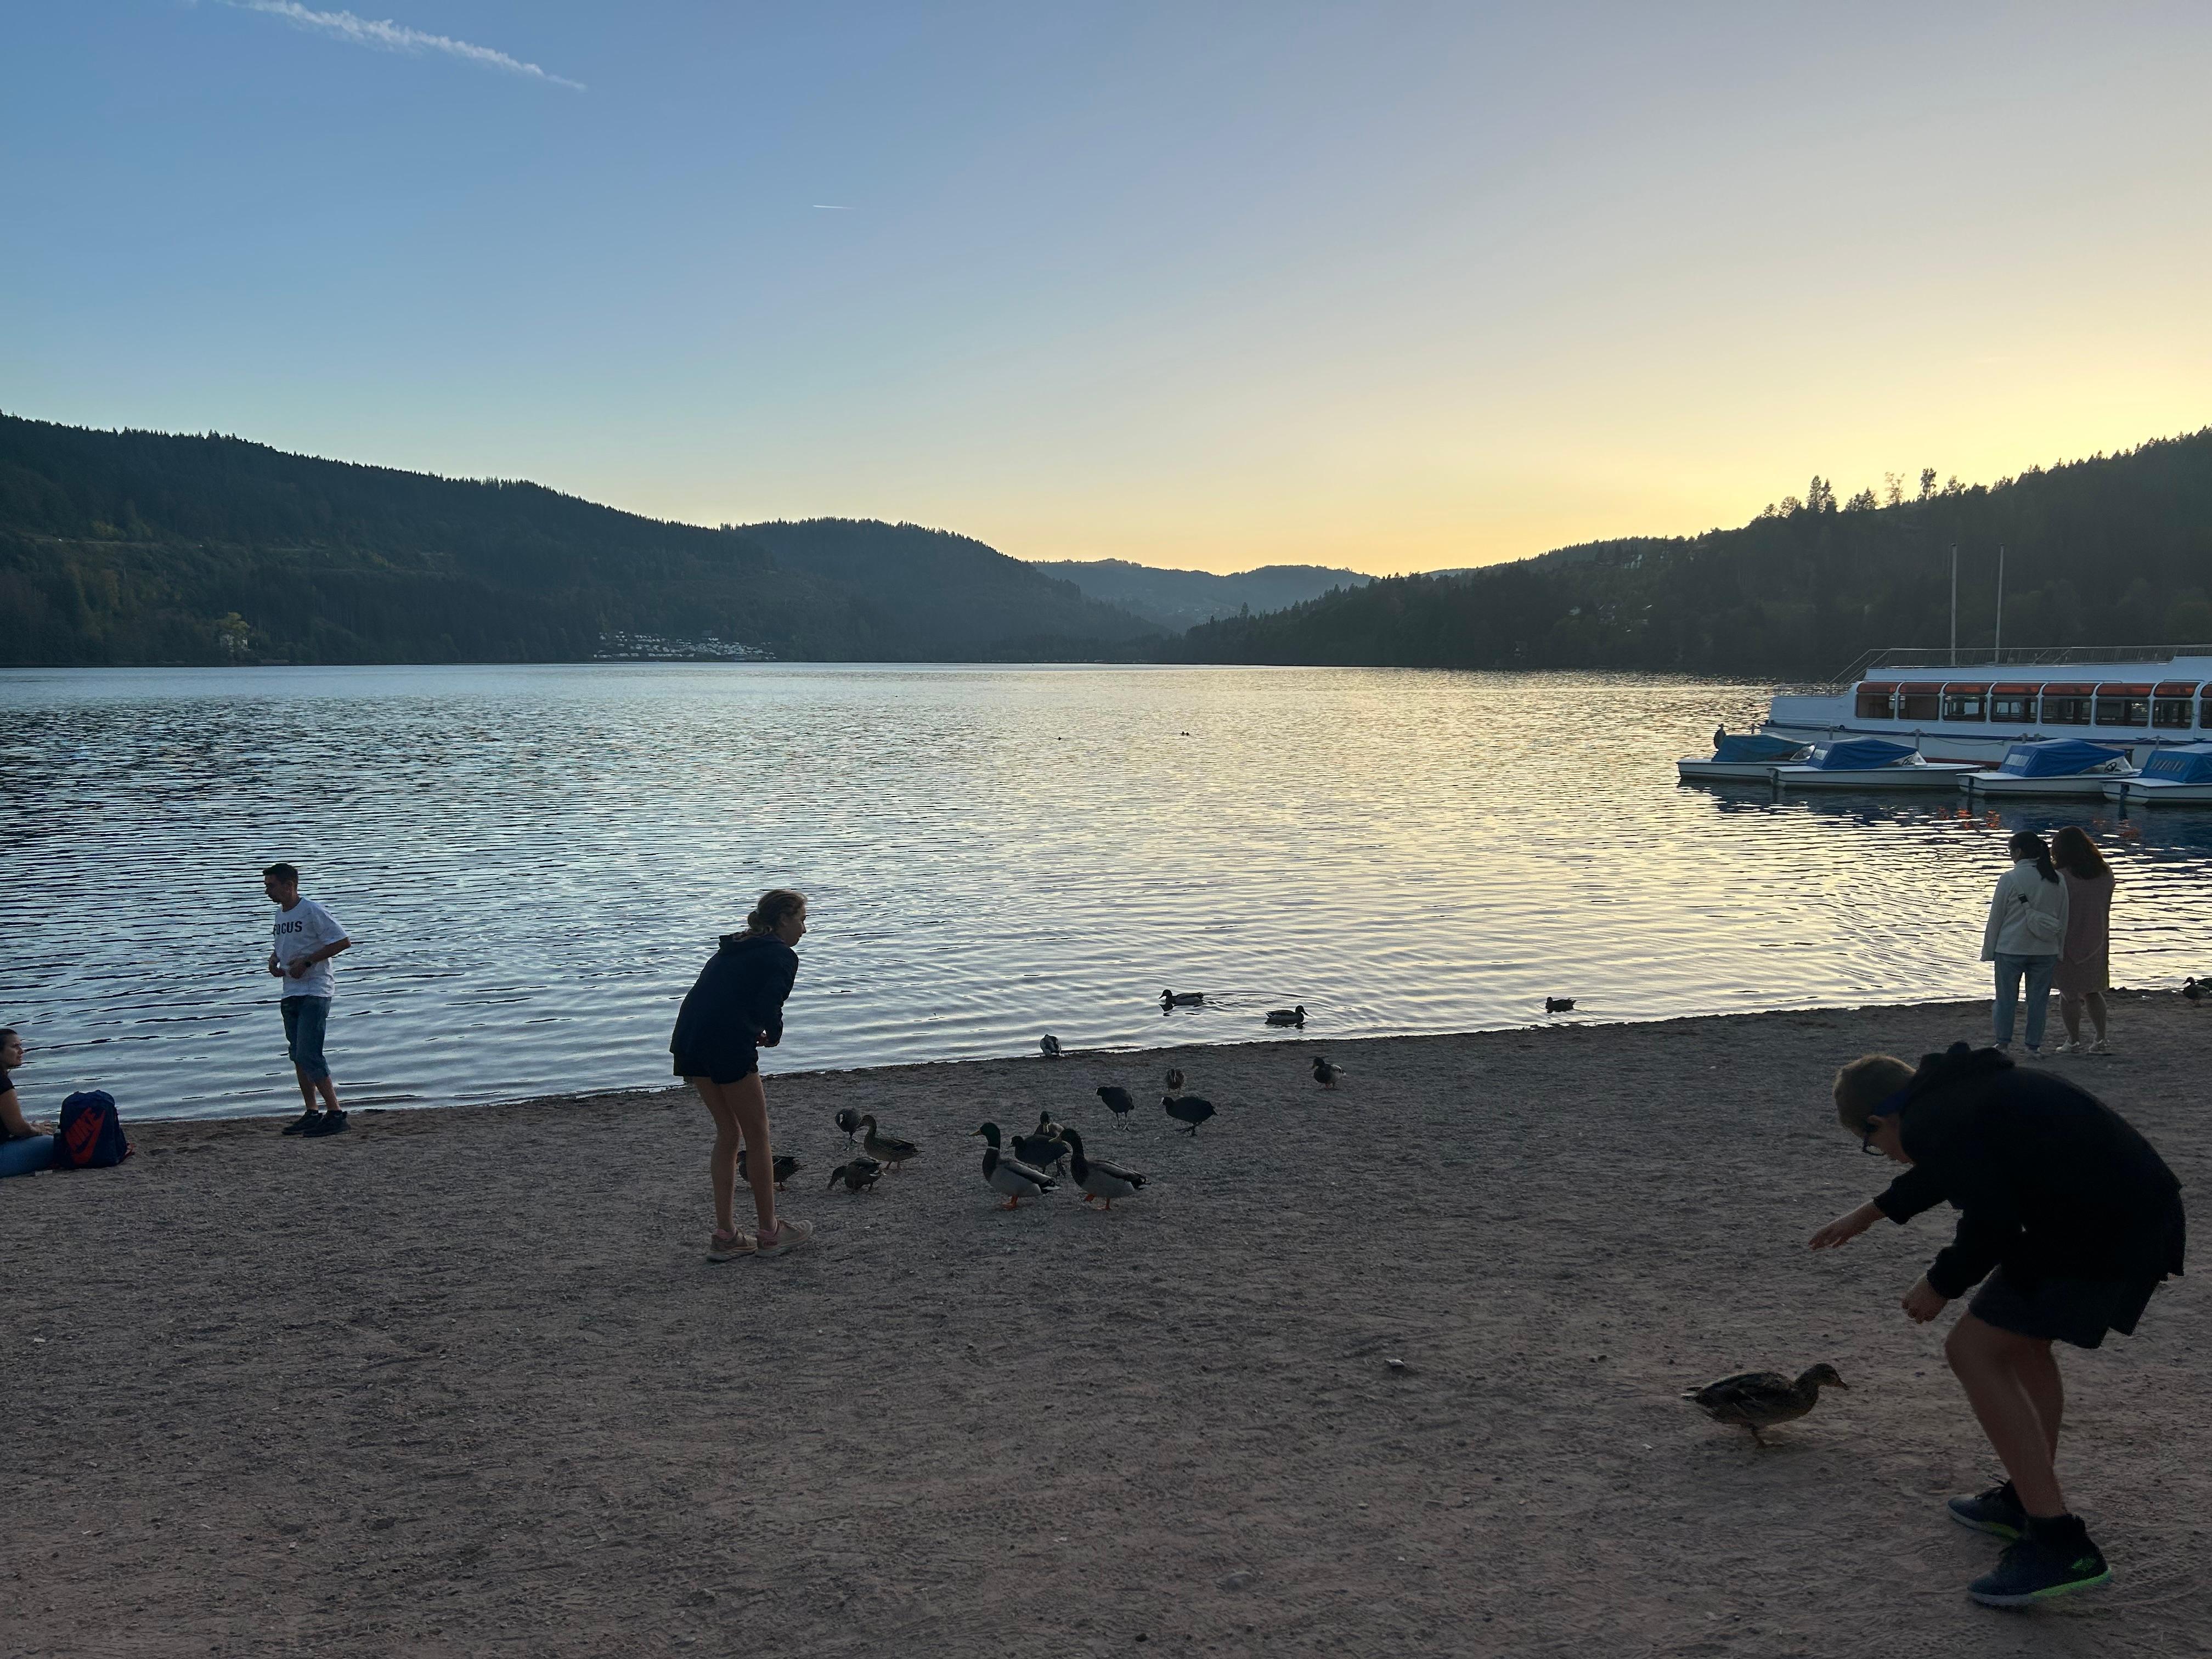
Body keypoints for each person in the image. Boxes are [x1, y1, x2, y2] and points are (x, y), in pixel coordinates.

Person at [1812, 1043, 2185, 1607]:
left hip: (2103, 1233)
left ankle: (2060, 1543)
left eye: (1874, 1145)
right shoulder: (1957, 1097)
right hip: (2125, 1217)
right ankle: (2024, 1501)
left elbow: (1991, 1222)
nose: (1885, 1156)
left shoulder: (1940, 1119)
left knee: (1974, 1350)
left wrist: (1940, 1283)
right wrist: (1868, 1214)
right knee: (2024, 1345)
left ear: (1880, 1120)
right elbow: (1953, 1169)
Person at [670, 888, 814, 1260]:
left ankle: (726, 1236)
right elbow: (771, 1002)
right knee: (757, 1133)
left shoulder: (736, 946)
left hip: (690, 1038)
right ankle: (770, 1233)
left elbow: (717, 994)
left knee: (729, 1132)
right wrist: (775, 1035)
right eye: (801, 919)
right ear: (783, 920)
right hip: (725, 1044)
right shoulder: (781, 954)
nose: (804, 928)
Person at [263, 862, 352, 1137]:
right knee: (297, 1055)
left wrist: (309, 961)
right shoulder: (280, 915)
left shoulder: (312, 910)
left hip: (315, 990)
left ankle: (336, 1114)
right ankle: (312, 1113)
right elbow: (284, 949)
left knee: (309, 1053)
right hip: (291, 991)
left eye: (271, 886)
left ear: (289, 886)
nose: (267, 891)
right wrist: (274, 961)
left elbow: (342, 941)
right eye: (266, 886)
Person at [1981, 830, 2066, 1054]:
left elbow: (1996, 918)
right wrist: (2060, 950)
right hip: (2046, 949)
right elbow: (2063, 918)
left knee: (2006, 999)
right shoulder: (2057, 879)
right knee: (2038, 1002)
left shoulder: (2009, 879)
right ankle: (2033, 1046)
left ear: (2018, 852)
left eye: (2011, 851)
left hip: (2010, 948)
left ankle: (2003, 1042)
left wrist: (1989, 950)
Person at [2050, 827, 2114, 1056]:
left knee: (2068, 995)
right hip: (2097, 939)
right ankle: (2101, 1039)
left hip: (2067, 940)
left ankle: (2074, 1041)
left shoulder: (2060, 877)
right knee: (2094, 991)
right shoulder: (2105, 873)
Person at [0, 1028, 58, 1178]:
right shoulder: (2, 1084)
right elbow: (17, 1128)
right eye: (15, 1047)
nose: (22, 1051)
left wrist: (30, 1129)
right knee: (56, 1143)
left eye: (20, 1045)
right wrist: (37, 1130)